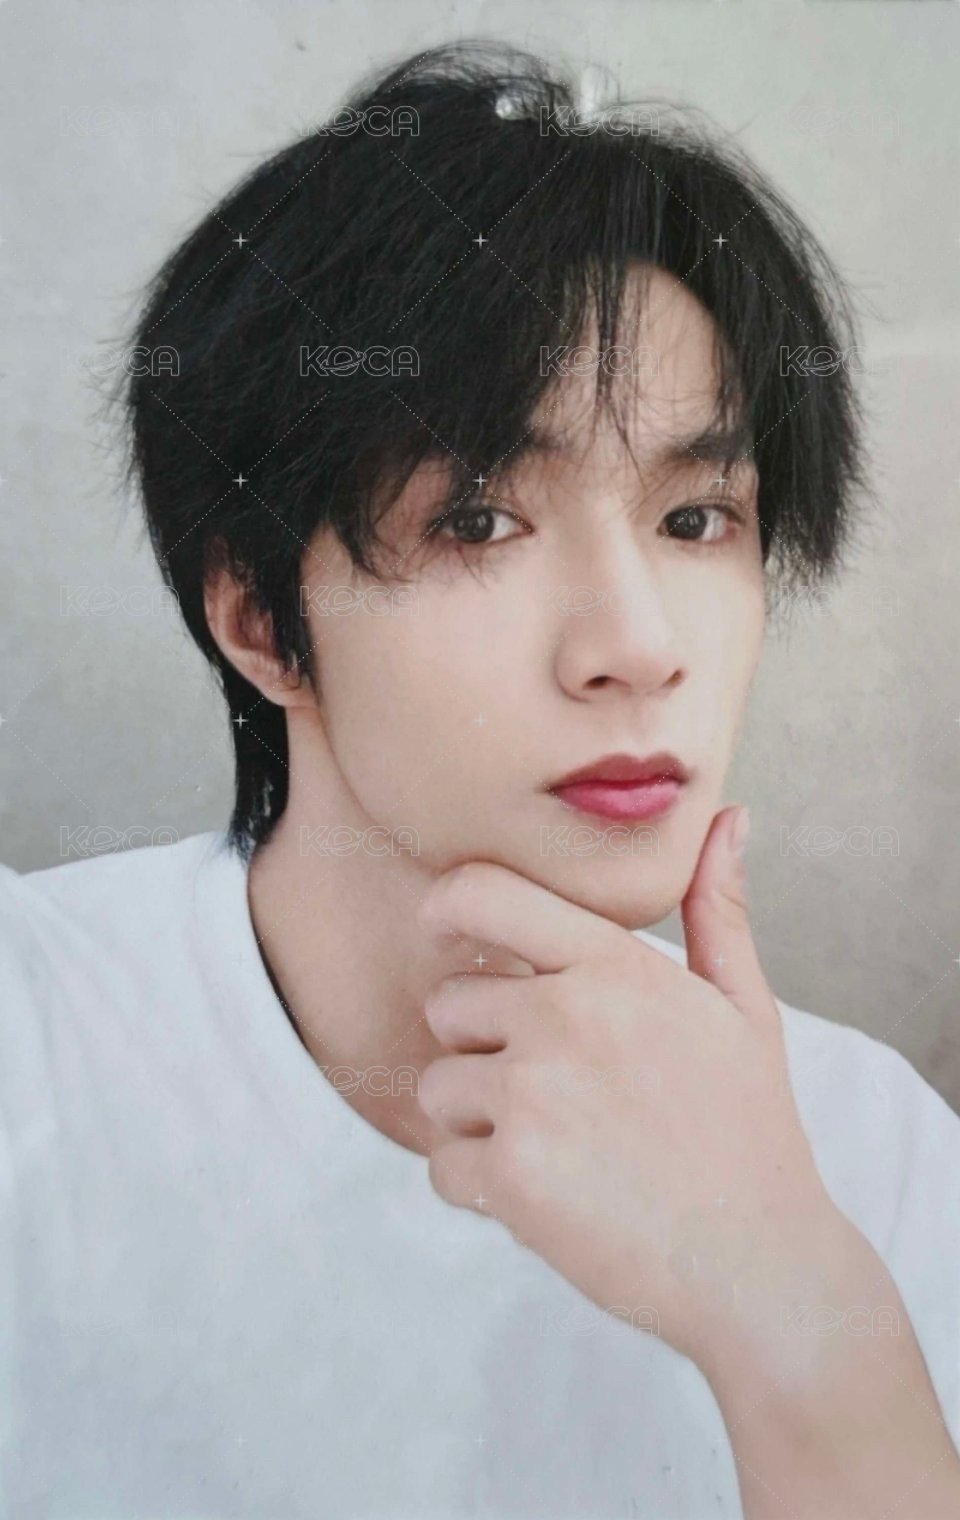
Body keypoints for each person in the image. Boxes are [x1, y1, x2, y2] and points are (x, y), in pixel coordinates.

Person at [3, 37, 959, 1520]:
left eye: (697, 519)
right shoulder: (38, 1043)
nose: (637, 648)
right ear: (262, 622)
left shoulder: (876, 1153)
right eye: (478, 520)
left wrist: (798, 1319)